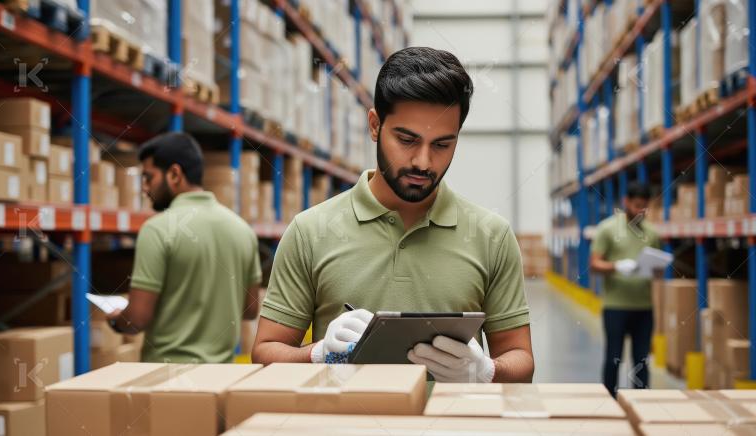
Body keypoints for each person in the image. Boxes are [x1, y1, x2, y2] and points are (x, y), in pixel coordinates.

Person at [252, 47, 534, 383]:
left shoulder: (492, 236)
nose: (423, 162)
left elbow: (521, 360)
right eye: (407, 140)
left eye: (442, 144)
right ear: (375, 125)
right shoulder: (310, 231)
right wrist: (318, 354)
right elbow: (265, 353)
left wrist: (486, 370)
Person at [106, 132, 262, 363]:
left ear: (174, 174)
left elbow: (136, 320)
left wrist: (116, 319)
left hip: (166, 382)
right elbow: (249, 310)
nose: (145, 188)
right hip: (221, 380)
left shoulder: (157, 229)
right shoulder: (242, 230)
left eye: (149, 177)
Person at [590, 182, 661, 395]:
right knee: (614, 357)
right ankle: (610, 402)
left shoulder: (652, 233)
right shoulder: (608, 229)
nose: (640, 211)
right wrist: (616, 266)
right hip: (616, 307)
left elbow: (657, 270)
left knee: (642, 360)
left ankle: (641, 405)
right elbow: (594, 264)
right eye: (637, 205)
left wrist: (654, 268)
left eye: (645, 207)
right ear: (626, 202)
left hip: (644, 307)